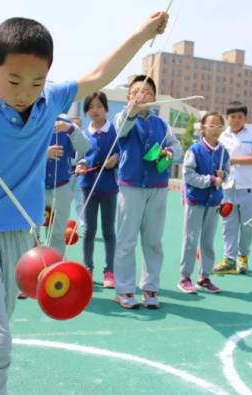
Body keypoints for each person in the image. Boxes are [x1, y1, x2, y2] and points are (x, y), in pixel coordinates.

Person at [0, 12, 169, 394]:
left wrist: (143, 33)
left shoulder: (52, 98)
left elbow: (100, 74)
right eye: (13, 80)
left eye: (37, 81)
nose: (26, 91)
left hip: (22, 235)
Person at [113, 75, 183, 309]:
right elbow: (122, 129)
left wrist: (170, 154)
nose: (142, 95)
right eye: (137, 91)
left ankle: (150, 289)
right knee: (126, 240)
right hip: (131, 187)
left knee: (153, 241)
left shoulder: (161, 124)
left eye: (148, 92)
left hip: (157, 188)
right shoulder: (122, 117)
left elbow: (176, 147)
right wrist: (132, 111)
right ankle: (124, 290)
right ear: (129, 96)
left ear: (154, 98)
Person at [178, 112, 229, 294]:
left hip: (214, 202)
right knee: (191, 240)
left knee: (208, 241)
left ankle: (204, 277)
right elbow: (188, 175)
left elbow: (227, 174)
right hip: (195, 201)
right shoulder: (195, 150)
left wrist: (223, 178)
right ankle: (185, 277)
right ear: (203, 128)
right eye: (211, 125)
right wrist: (210, 180)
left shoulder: (224, 152)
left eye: (219, 125)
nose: (215, 129)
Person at [213, 101, 252, 274]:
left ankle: (243, 257)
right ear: (227, 118)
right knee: (228, 224)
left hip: (248, 187)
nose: (236, 120)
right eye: (232, 117)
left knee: (247, 225)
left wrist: (234, 160)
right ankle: (229, 259)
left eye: (239, 117)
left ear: (245, 118)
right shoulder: (222, 136)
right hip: (227, 188)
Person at [76, 92, 118, 288]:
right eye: (91, 107)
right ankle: (88, 269)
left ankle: (110, 271)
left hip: (109, 188)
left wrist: (116, 159)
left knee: (109, 231)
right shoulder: (83, 134)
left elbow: (122, 153)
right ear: (86, 111)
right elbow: (81, 157)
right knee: (89, 230)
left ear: (106, 109)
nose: (95, 110)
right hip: (88, 188)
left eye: (99, 106)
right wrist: (81, 165)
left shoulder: (115, 132)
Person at [44, 114, 89, 254]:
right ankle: (30, 269)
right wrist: (44, 153)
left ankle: (54, 268)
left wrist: (70, 129)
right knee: (29, 232)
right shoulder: (30, 120)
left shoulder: (66, 123)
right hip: (35, 187)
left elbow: (84, 147)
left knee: (57, 234)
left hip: (61, 187)